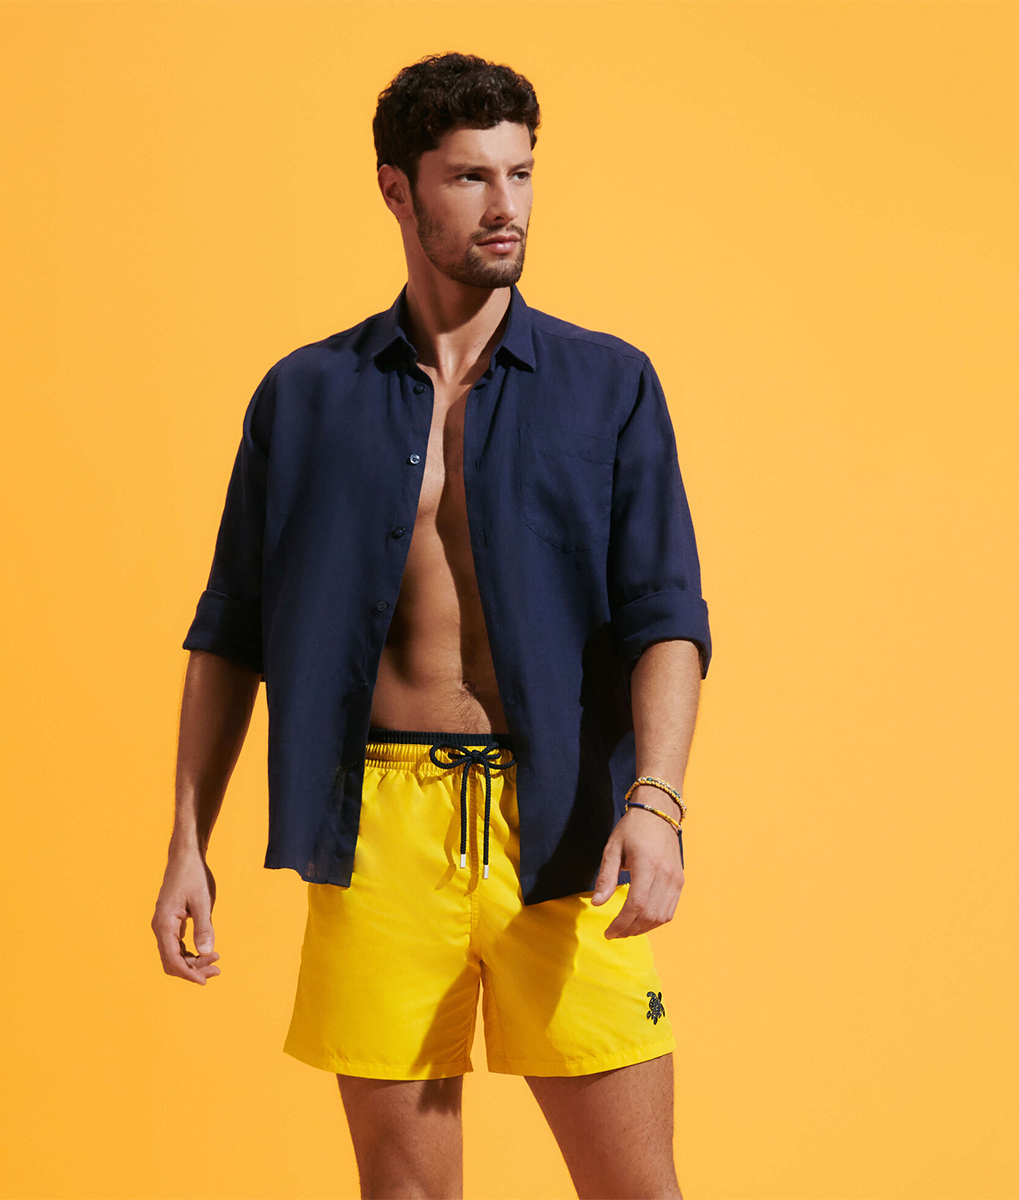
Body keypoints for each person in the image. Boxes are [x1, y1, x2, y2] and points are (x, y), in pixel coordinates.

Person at [152, 51, 712, 1200]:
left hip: (563, 835)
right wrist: (185, 844)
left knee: (638, 1190)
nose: (506, 205)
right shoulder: (305, 395)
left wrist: (656, 801)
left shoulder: (609, 384)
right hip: (376, 834)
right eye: (470, 177)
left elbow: (667, 615)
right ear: (396, 190)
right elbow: (231, 629)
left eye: (521, 173)